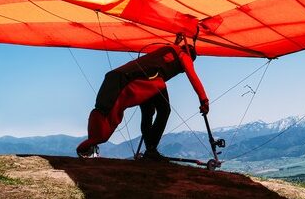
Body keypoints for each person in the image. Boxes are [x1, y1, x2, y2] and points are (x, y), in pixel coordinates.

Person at [76, 40, 209, 159]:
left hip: (138, 80)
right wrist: (204, 100)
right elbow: (193, 78)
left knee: (148, 112)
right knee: (164, 110)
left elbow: (172, 49)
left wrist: (179, 40)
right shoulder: (183, 55)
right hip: (150, 81)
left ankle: (150, 149)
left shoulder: (171, 49)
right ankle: (151, 150)